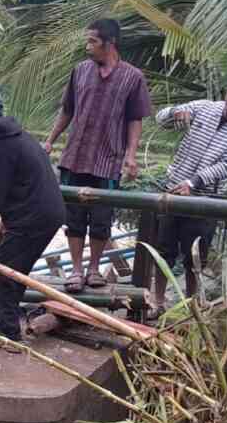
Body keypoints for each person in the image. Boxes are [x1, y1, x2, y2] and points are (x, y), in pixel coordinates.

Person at [44, 18, 151, 292]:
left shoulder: (132, 77)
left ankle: (94, 270)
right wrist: (50, 141)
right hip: (75, 156)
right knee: (75, 218)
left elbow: (135, 119)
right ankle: (77, 270)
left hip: (109, 159)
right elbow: (67, 109)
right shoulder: (80, 71)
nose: (87, 46)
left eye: (92, 41)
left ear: (109, 43)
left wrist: (131, 155)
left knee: (102, 219)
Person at [141, 77, 227, 314]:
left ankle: (191, 307)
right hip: (173, 190)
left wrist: (193, 182)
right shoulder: (206, 107)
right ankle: (158, 303)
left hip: (206, 200)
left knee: (195, 256)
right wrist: (176, 113)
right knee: (164, 249)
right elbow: (161, 118)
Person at [0, 88, 66, 344]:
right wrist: (3, 226)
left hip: (34, 218)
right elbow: (16, 187)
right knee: (13, 273)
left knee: (1, 274)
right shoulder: (16, 137)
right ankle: (7, 321)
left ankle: (9, 334)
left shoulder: (2, 147)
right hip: (45, 214)